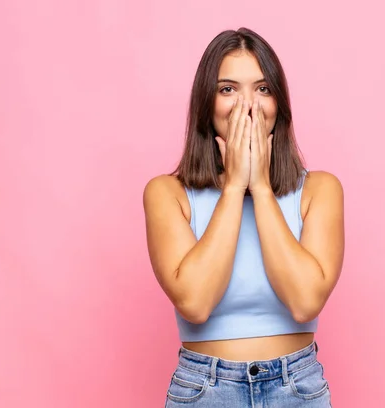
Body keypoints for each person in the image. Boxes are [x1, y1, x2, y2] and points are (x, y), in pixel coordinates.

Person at [143, 27, 345, 407]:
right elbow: (196, 302)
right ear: (207, 104)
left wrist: (262, 188)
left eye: (263, 89)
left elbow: (305, 302)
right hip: (204, 391)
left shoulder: (320, 190)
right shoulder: (167, 194)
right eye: (228, 89)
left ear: (279, 104)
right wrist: (235, 186)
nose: (247, 105)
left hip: (296, 390)